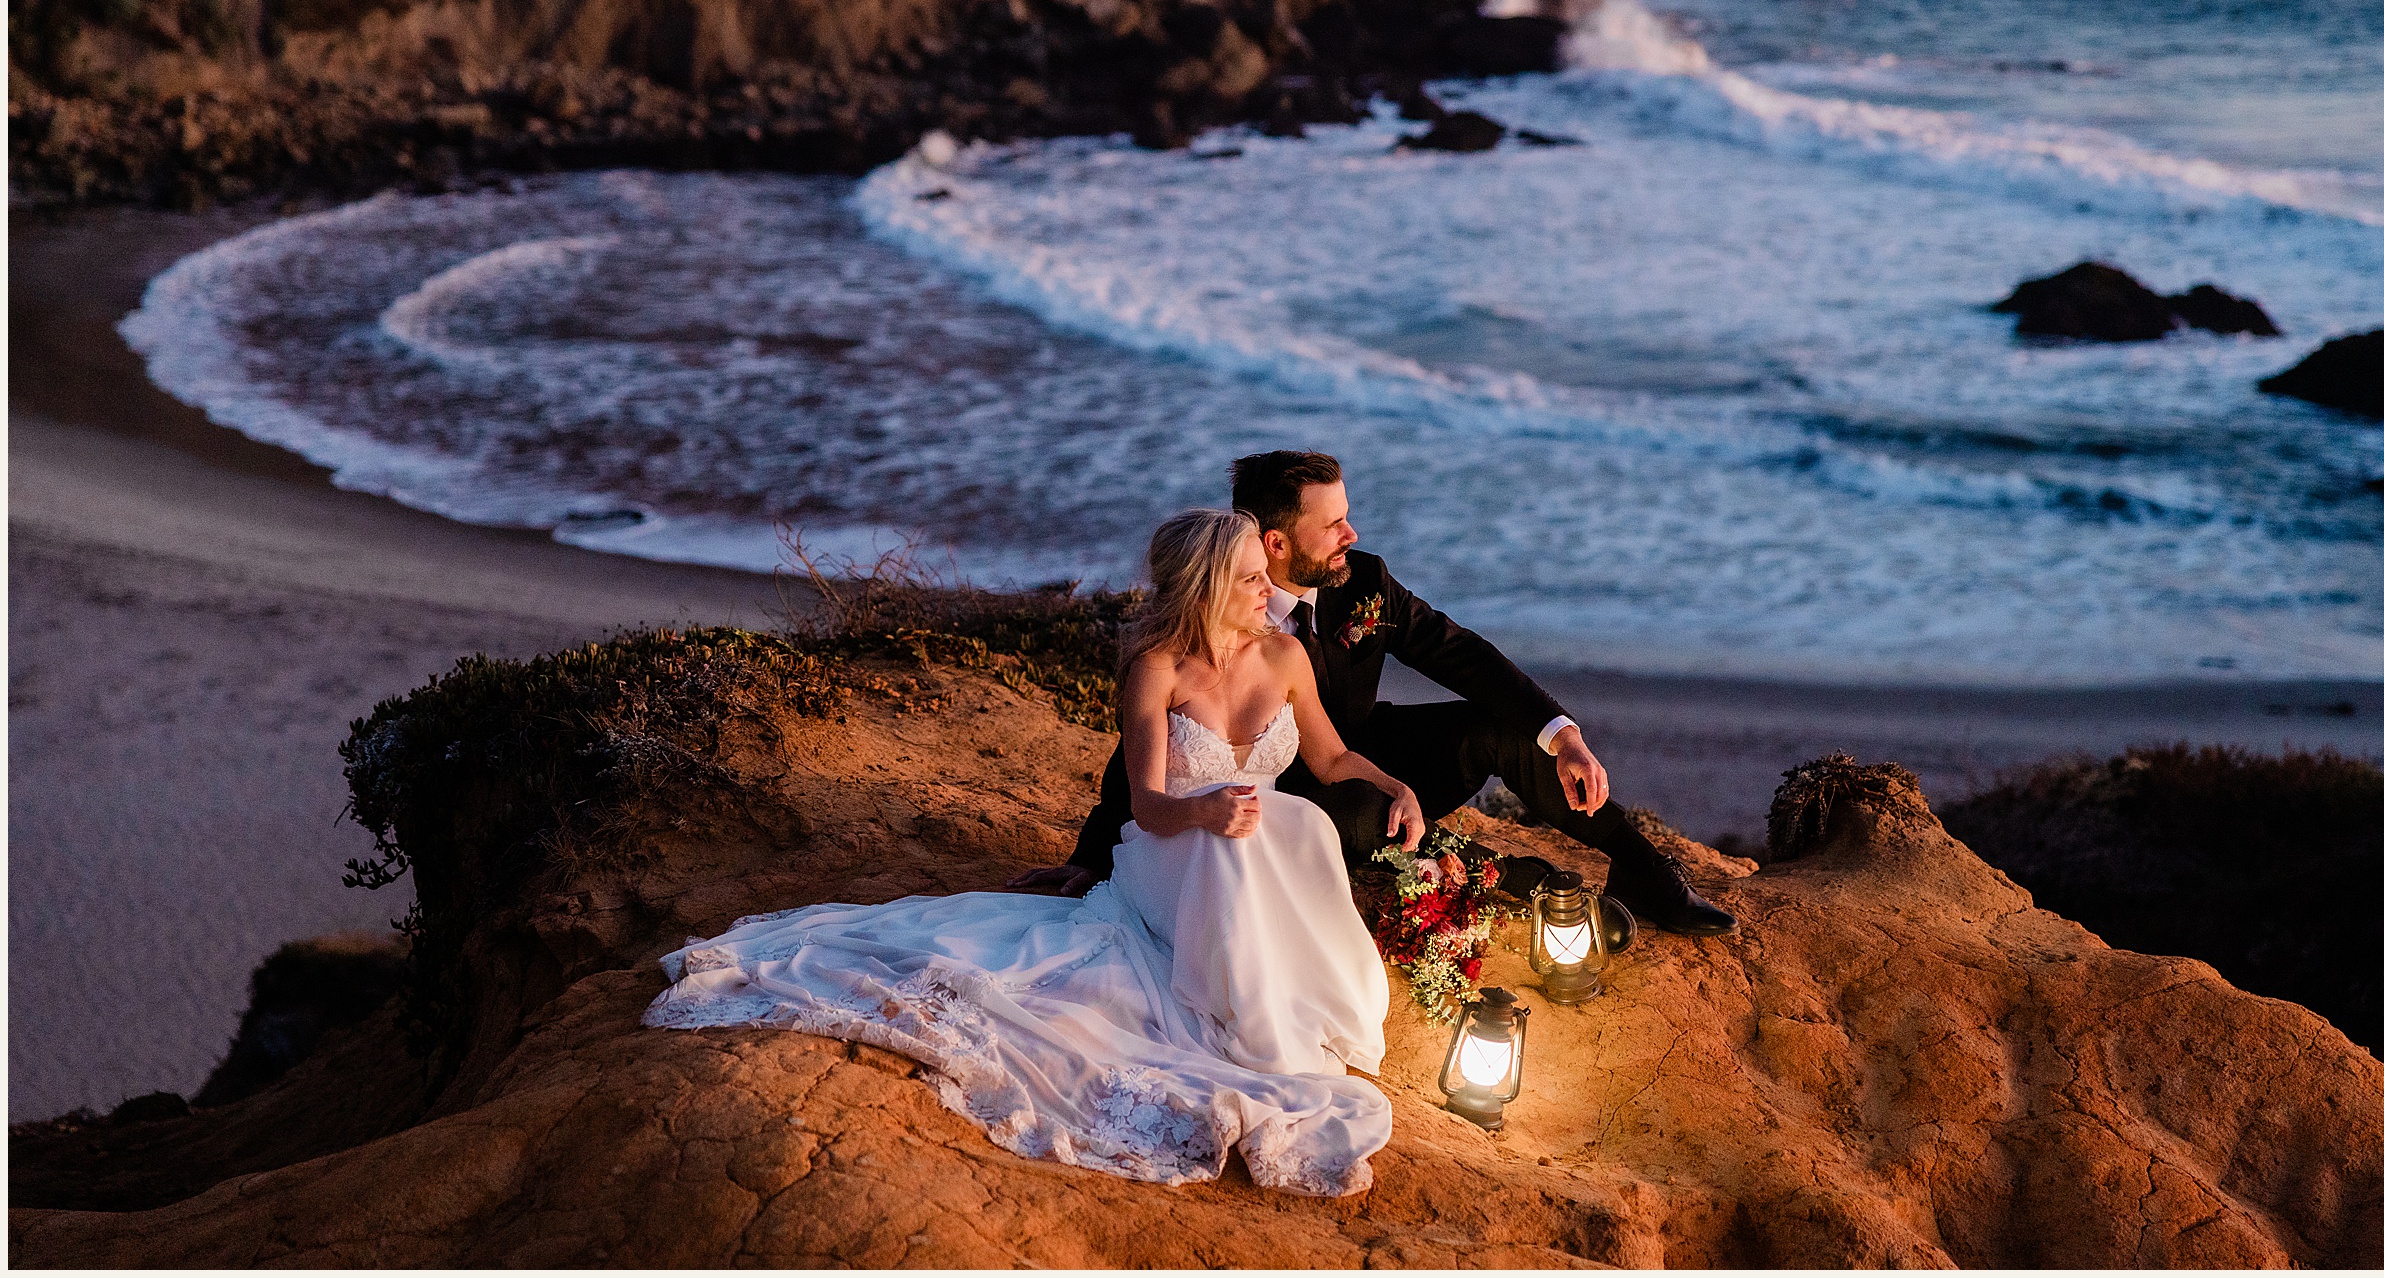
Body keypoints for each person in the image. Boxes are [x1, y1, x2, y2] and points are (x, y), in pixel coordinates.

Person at [644, 508, 1400, 1197]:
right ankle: (1247, 1007)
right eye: (1250, 578)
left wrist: (1397, 787)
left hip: (1255, 853)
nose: (1269, 587)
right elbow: (1146, 806)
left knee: (1299, 820)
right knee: (1226, 845)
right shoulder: (1158, 668)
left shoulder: (1285, 659)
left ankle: (1283, 991)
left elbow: (1332, 762)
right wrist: (1204, 809)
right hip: (1171, 849)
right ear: (1206, 587)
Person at [1013, 450, 1737, 938]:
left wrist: (1562, 732)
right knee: (1359, 815)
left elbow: (1459, 653)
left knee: (1496, 727)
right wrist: (1097, 853)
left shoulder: (1362, 582)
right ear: (1271, 543)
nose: (1349, 533)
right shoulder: (1206, 624)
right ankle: (1530, 882)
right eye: (1330, 524)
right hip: (1271, 809)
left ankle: (1641, 868)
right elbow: (1158, 741)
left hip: (1350, 758)